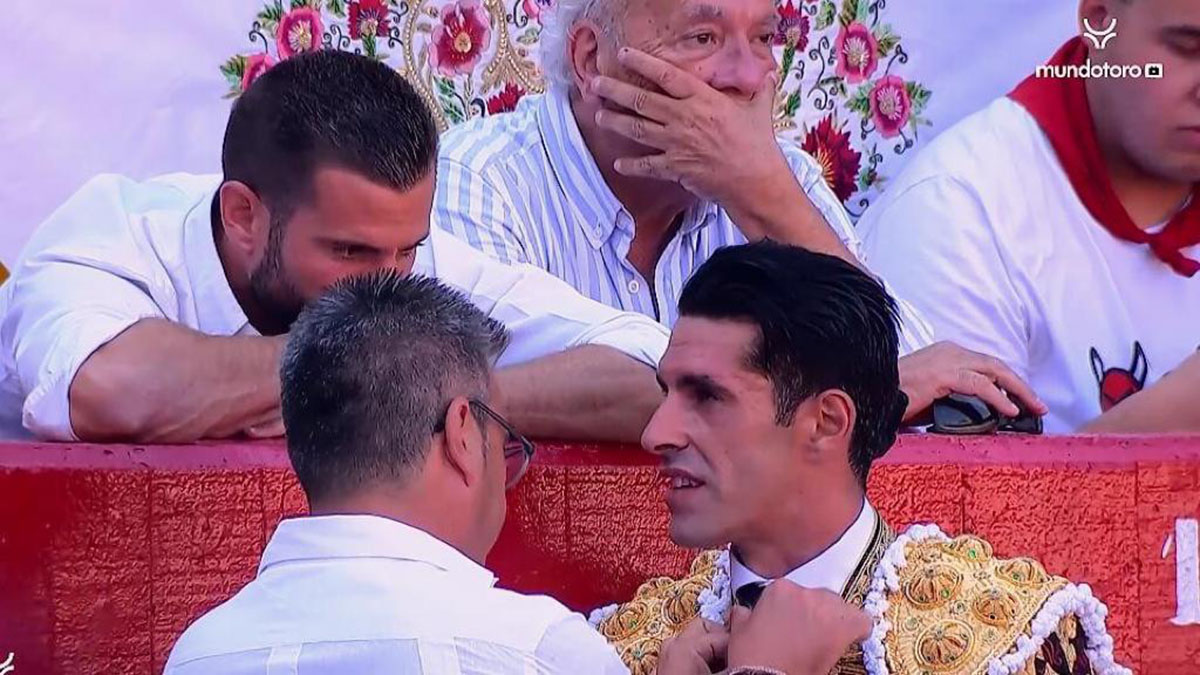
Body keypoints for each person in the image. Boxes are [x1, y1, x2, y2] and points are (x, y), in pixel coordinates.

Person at [164, 270, 875, 675]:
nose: (657, 431)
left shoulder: (198, 653)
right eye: (505, 437)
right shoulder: (540, 649)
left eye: (707, 395)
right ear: (462, 433)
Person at [0, 50, 668, 444]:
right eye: (349, 253)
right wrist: (353, 369)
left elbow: (660, 373)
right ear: (242, 215)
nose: (390, 283)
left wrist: (448, 390)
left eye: (406, 248)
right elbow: (109, 388)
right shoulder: (110, 235)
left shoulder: (408, 262)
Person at [434, 0, 1048, 428]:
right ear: (592, 59)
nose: (748, 78)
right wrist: (842, 388)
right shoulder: (481, 182)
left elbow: (914, 371)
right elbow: (461, 391)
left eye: (762, 39)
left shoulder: (780, 180)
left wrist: (765, 198)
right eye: (703, 39)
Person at [589, 242, 1129, 675]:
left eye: (707, 396)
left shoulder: (1002, 640)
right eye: (667, 393)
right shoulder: (629, 648)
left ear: (827, 422)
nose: (656, 433)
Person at [859, 0, 1200, 432]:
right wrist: (1177, 415)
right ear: (1100, 22)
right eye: (1187, 47)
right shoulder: (959, 210)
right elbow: (961, 494)